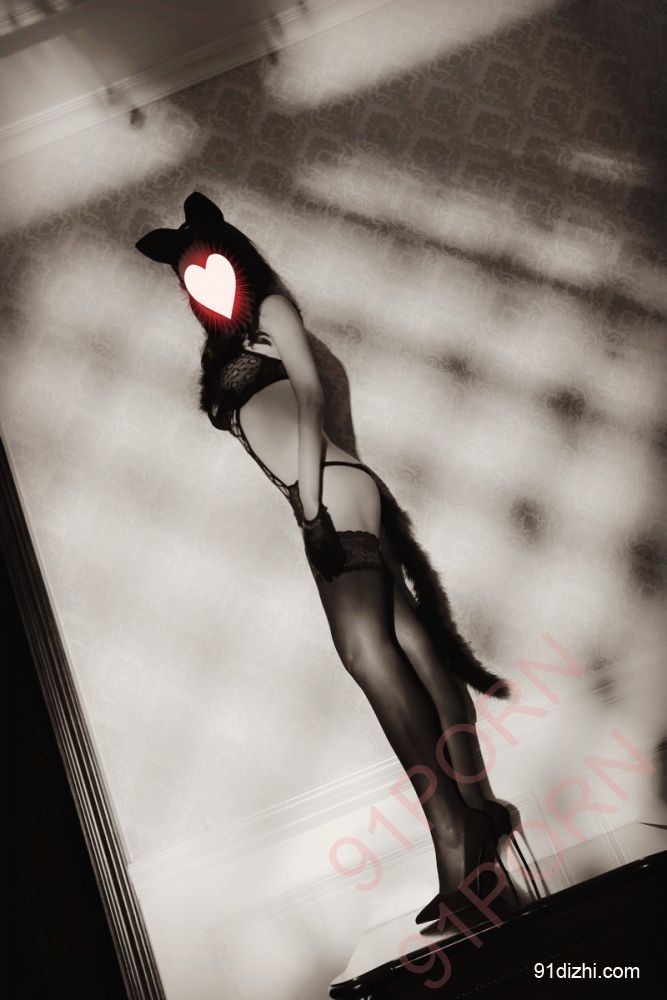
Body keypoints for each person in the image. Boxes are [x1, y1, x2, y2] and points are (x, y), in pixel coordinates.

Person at [136, 191, 516, 926]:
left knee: (366, 656)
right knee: (412, 649)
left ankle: (454, 833)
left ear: (236, 260)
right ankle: (479, 813)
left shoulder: (273, 310)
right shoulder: (225, 346)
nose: (202, 283)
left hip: (329, 494)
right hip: (329, 494)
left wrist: (311, 510)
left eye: (210, 265)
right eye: (189, 277)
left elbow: (310, 400)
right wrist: (308, 505)